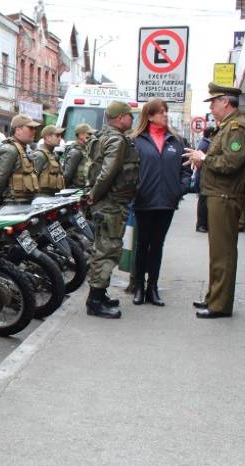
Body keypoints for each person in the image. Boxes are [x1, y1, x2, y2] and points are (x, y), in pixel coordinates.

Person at [184, 83, 245, 319]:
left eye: (213, 102)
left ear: (226, 102)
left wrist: (203, 159)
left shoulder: (236, 128)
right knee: (218, 252)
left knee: (222, 253)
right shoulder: (228, 127)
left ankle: (219, 304)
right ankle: (214, 297)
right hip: (220, 195)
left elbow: (231, 163)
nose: (211, 107)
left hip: (225, 196)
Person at [129, 98, 191, 307]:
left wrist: (179, 189)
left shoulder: (176, 140)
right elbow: (129, 171)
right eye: (161, 111)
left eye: (166, 111)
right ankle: (138, 286)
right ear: (150, 115)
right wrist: (135, 190)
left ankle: (152, 288)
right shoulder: (136, 140)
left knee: (157, 245)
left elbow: (186, 169)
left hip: (167, 201)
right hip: (144, 201)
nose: (165, 115)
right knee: (142, 245)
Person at [84, 100, 139, 319]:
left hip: (106, 202)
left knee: (103, 247)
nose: (132, 119)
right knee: (108, 249)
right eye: (129, 115)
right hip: (111, 203)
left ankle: (99, 294)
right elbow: (107, 172)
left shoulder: (101, 136)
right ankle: (95, 301)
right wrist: (95, 195)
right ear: (119, 118)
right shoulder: (116, 140)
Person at [0, 114, 40, 209]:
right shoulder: (10, 150)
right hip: (12, 206)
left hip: (24, 204)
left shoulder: (24, 149)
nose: (34, 131)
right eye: (30, 128)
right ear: (18, 130)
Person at [193, 125, 217, 233]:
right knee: (203, 202)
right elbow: (199, 163)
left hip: (205, 177)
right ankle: (201, 225)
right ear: (211, 134)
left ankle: (204, 224)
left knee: (205, 201)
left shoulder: (206, 143)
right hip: (203, 177)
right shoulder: (205, 145)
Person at [32, 125, 66, 197]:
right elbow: (31, 180)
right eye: (57, 136)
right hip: (40, 199)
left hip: (52, 198)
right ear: (48, 138)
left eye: (60, 136)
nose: (60, 138)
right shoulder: (39, 155)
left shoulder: (54, 155)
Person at [62, 122, 95, 190]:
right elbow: (67, 175)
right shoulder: (75, 152)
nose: (91, 136)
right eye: (89, 134)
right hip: (75, 188)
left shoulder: (85, 149)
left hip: (83, 188)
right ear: (81, 135)